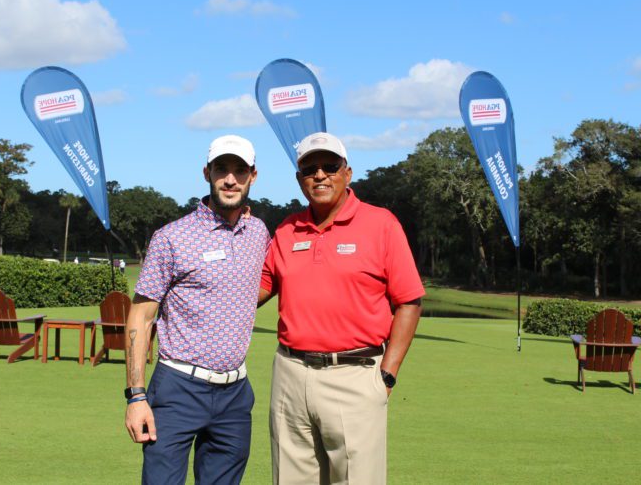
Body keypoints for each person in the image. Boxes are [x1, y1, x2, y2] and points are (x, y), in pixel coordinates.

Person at [258, 132, 426, 485]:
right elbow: (258, 290)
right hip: (290, 373)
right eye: (309, 169)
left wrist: (388, 373)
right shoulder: (287, 229)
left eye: (329, 166)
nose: (320, 175)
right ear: (299, 179)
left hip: (355, 373)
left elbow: (409, 301)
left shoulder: (381, 224)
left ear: (347, 173)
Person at [123, 135, 270, 485]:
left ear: (253, 176)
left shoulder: (259, 232)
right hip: (177, 388)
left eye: (239, 170)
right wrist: (136, 396)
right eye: (222, 169)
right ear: (207, 173)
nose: (230, 179)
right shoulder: (172, 237)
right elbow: (141, 317)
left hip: (235, 395)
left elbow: (255, 287)